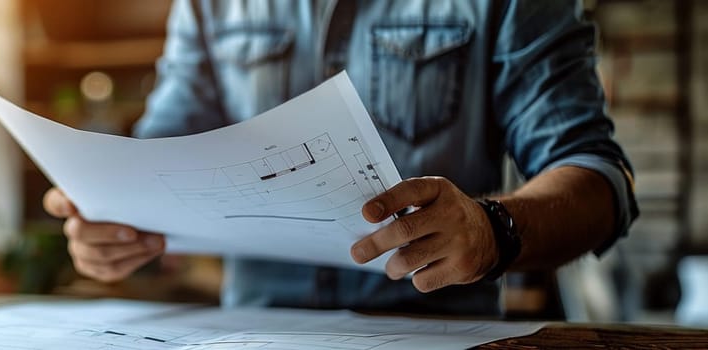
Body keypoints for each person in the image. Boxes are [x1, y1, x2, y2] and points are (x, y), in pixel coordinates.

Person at [42, 0, 638, 316]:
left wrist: (492, 229)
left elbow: (600, 180)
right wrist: (111, 217)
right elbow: (160, 156)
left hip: (434, 335)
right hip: (249, 334)